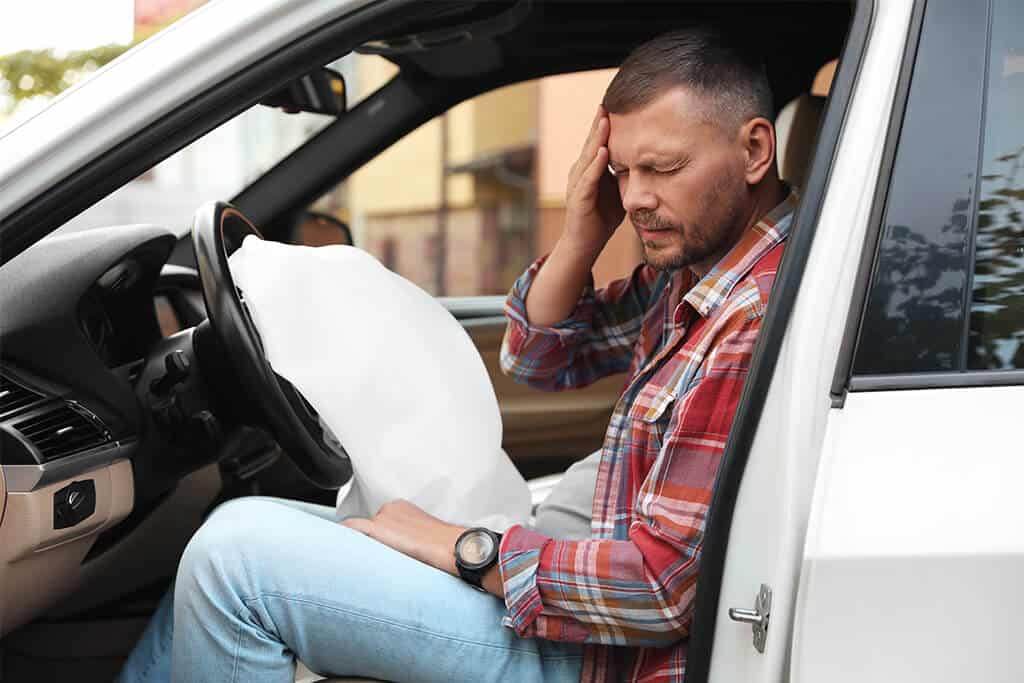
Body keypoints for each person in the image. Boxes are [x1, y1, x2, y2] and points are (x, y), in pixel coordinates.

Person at [118, 26, 797, 683]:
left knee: (230, 560)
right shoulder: (696, 277)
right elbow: (539, 359)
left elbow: (657, 589)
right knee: (224, 541)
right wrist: (582, 235)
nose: (636, 198)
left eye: (663, 168)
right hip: (579, 599)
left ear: (755, 149)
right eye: (620, 171)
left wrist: (464, 547)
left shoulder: (755, 311)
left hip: (607, 654)